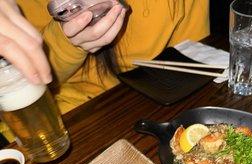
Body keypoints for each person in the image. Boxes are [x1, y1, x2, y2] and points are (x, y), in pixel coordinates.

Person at [0, 0, 209, 142]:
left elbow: (195, 54)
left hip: (153, 111)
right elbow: (15, 86)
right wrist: (66, 44)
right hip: (58, 124)